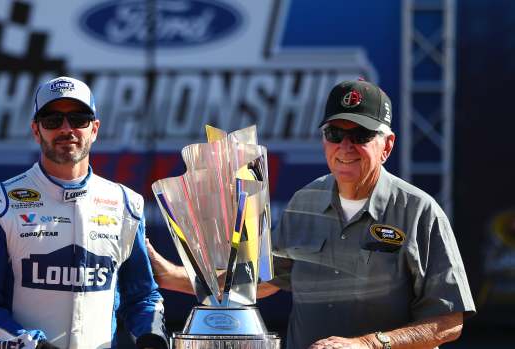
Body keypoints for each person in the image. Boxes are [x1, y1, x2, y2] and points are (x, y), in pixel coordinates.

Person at [146, 79, 476, 349]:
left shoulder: (418, 211)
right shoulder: (305, 202)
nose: (345, 147)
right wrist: (169, 274)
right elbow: (258, 283)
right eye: (335, 134)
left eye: (360, 135)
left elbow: (449, 321)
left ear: (386, 146)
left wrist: (368, 344)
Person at [0, 76, 168, 349]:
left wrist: (153, 338)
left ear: (94, 129)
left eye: (79, 119)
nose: (66, 129)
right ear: (36, 130)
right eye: (52, 120)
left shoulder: (127, 204)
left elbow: (142, 296)